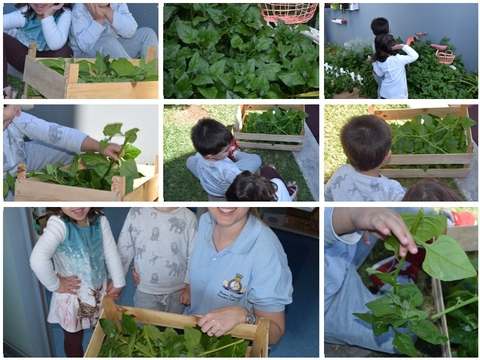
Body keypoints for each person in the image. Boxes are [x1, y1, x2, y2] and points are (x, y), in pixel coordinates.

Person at [185, 207, 293, 345]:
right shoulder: (205, 220)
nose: (227, 203)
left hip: (230, 344)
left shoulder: (268, 253)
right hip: (190, 327)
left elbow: (275, 333)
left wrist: (244, 315)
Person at [30, 207, 125, 357]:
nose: (77, 206)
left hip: (98, 291)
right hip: (72, 295)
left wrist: (119, 282)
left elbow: (110, 252)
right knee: (73, 338)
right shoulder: (58, 223)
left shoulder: (99, 219)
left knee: (106, 331)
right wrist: (56, 284)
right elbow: (37, 260)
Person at [324, 207, 419, 353]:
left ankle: (407, 253)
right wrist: (352, 215)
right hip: (331, 302)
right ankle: (394, 275)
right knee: (407, 333)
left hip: (344, 245)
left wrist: (354, 216)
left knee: (394, 213)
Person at [3, 105, 122, 200]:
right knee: (17, 197)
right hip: (5, 181)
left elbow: (58, 134)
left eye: (4, 107)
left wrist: (100, 147)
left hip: (24, 157)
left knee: (70, 151)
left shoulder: (14, 117)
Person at [117, 207, 198, 314]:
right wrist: (117, 280)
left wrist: (189, 287)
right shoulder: (136, 212)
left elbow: (194, 255)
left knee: (174, 328)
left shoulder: (189, 218)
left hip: (179, 293)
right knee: (145, 329)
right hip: (145, 292)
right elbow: (125, 248)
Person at [324, 114, 405, 201]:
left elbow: (326, 196)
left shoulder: (341, 172)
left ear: (345, 152)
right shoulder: (393, 190)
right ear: (387, 156)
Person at [3, 3, 73, 98]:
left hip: (46, 63)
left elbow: (55, 45)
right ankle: (4, 88)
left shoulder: (64, 13)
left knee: (66, 51)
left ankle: (46, 84)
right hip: (24, 58)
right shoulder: (25, 11)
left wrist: (47, 16)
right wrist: (13, 34)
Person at [186, 118, 262, 198]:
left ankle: (224, 156)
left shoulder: (200, 153)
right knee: (255, 159)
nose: (229, 149)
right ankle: (235, 153)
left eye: (230, 145)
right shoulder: (229, 169)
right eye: (226, 150)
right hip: (224, 191)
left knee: (190, 161)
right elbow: (241, 185)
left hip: (210, 188)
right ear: (210, 155)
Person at [69, 3, 158, 59]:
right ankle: (133, 77)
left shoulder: (117, 3)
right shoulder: (80, 9)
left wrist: (109, 12)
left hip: (116, 49)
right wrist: (99, 20)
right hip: (86, 56)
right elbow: (85, 46)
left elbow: (131, 31)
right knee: (108, 42)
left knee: (147, 34)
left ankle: (153, 74)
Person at [372, 33, 419, 99]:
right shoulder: (398, 59)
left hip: (385, 94)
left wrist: (374, 62)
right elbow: (415, 56)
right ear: (393, 45)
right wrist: (403, 46)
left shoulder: (380, 60)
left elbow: (380, 74)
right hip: (399, 95)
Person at [225, 165, 298, 201]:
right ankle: (291, 192)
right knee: (268, 170)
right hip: (283, 197)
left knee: (267, 171)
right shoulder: (277, 184)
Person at [369, 17, 390, 99]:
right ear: (388, 29)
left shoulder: (375, 42)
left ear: (373, 32)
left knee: (381, 88)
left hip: (377, 71)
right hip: (384, 72)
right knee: (383, 89)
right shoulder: (387, 42)